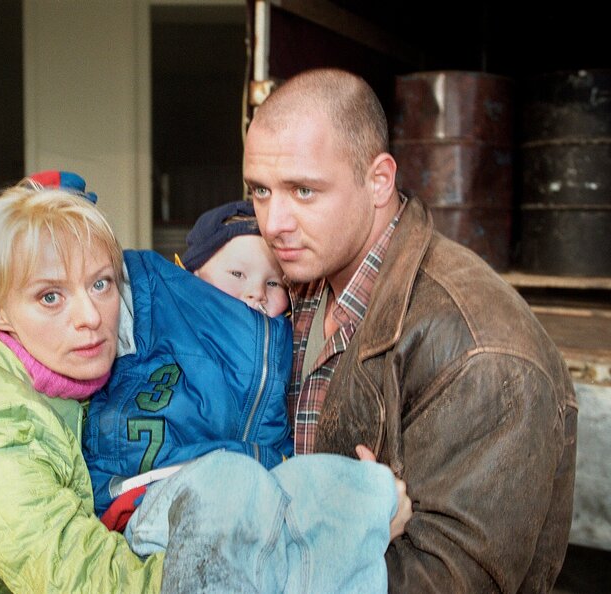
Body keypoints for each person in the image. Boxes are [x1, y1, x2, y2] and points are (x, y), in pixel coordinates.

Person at [243, 67, 578, 593]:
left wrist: (347, 532)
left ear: (379, 180)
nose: (273, 223)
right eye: (260, 191)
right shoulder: (295, 279)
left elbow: (446, 581)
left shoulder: (482, 352)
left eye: (304, 190)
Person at [0, 179, 163, 592]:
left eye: (100, 284)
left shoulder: (39, 357)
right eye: (50, 297)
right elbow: (86, 582)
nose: (91, 317)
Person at [84, 199, 294, 528]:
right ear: (192, 273)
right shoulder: (159, 303)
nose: (256, 292)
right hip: (139, 484)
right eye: (237, 273)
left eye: (274, 283)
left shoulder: (283, 340)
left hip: (233, 497)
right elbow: (98, 280)